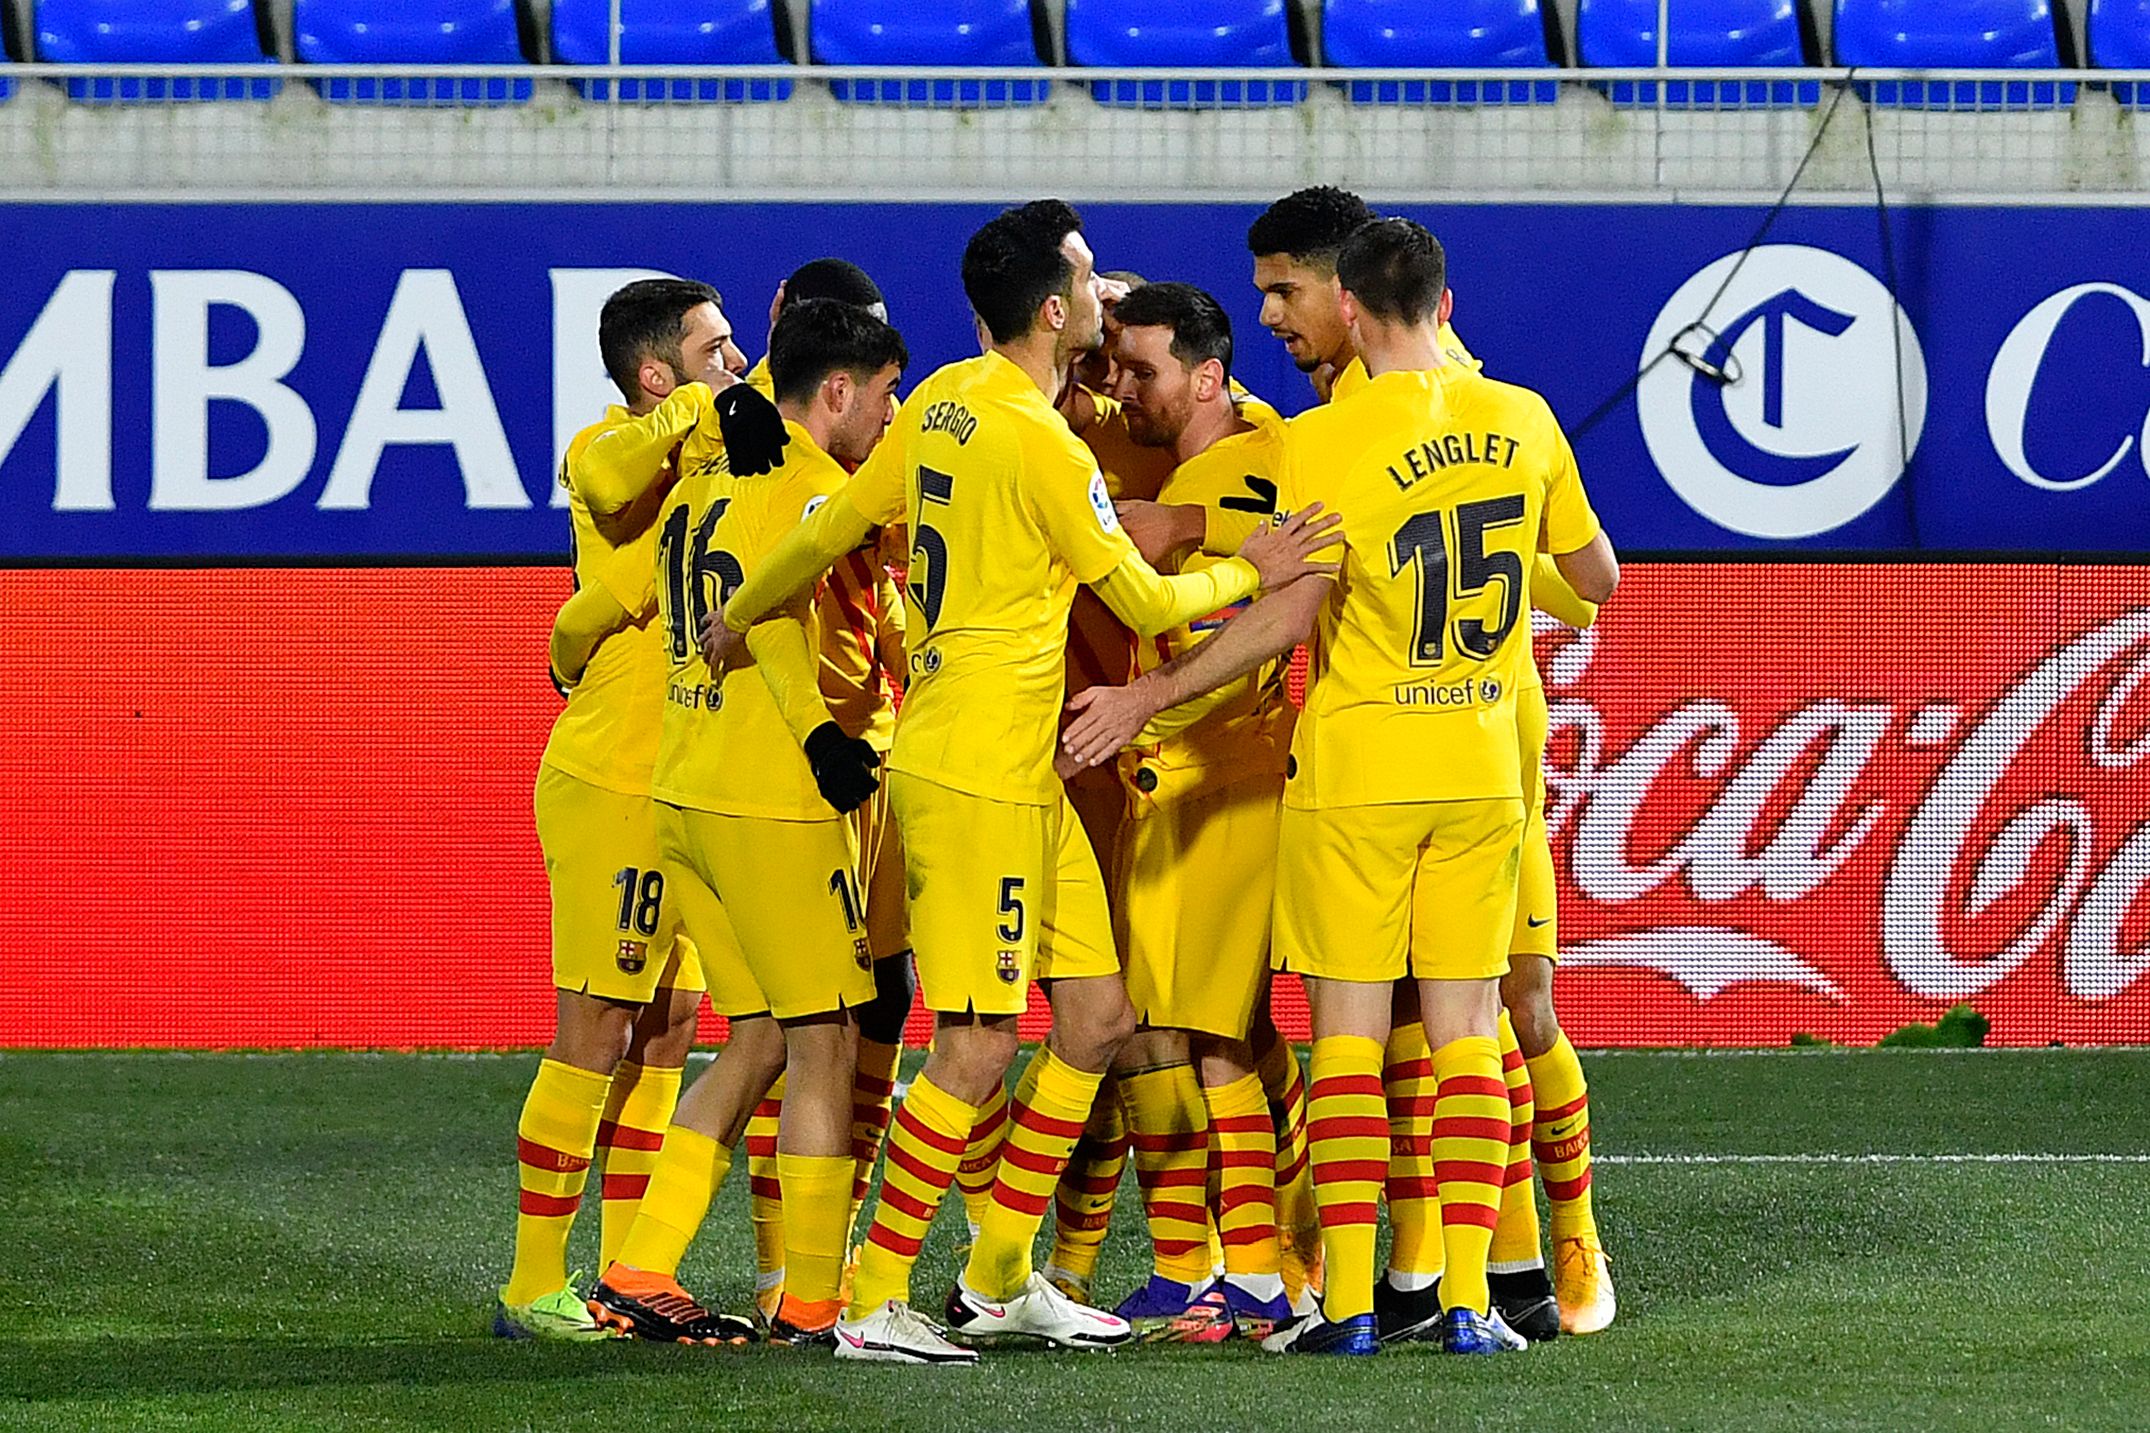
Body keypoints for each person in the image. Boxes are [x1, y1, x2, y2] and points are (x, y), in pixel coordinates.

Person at [701, 200, 1339, 1365]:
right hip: (977, 773)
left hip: (1018, 766)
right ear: (1053, 308)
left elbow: (833, 523)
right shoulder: (1041, 444)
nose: (1102, 293)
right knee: (980, 1044)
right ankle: (872, 1296)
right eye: (1089, 277)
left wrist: (740, 605)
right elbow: (1144, 602)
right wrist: (1249, 566)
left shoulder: (940, 400)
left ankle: (999, 1274)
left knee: (1096, 1016)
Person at [1061, 218, 1618, 1357]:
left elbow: (1288, 608)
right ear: (1444, 303)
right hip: (1479, 763)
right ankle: (1467, 1299)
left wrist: (1148, 699)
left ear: (1354, 311)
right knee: (1470, 1032)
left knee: (1348, 1045)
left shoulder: (1324, 440)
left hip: (1360, 766)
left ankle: (1353, 1302)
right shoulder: (1524, 417)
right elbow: (1595, 580)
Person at [585, 299, 909, 1349]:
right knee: (825, 1044)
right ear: (835, 390)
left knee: (761, 1034)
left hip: (681, 789)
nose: (892, 413)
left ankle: (638, 1262)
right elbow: (766, 618)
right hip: (767, 800)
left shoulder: (700, 481)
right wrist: (819, 734)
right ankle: (814, 1302)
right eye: (886, 392)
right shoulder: (812, 485)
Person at [494, 278, 742, 1342]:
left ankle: (620, 1272)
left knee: (670, 1024)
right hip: (614, 776)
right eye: (713, 348)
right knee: (596, 1022)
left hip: (680, 778)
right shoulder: (607, 441)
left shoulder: (724, 458)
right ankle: (531, 1282)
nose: (731, 364)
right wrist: (697, 417)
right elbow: (604, 476)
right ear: (658, 373)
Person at [1083, 282, 1301, 1343]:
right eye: (1116, 370)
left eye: (1143, 373)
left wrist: (1185, 521)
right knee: (1155, 1030)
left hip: (1231, 774)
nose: (1125, 393)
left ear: (1206, 376)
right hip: (1169, 777)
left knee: (1208, 1033)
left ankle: (1259, 1270)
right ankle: (1195, 1264)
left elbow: (1281, 515)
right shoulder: (1228, 440)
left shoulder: (1240, 466)